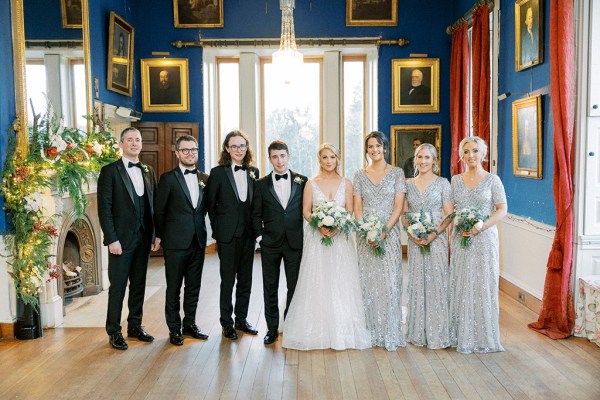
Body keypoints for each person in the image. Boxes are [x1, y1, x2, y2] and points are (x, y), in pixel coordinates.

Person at [283, 144, 371, 350]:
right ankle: (316, 329)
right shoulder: (311, 184)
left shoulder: (346, 183)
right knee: (317, 279)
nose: (329, 160)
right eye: (325, 157)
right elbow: (306, 211)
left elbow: (349, 210)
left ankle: (342, 330)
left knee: (341, 280)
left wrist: (338, 225)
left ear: (337, 159)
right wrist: (319, 225)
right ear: (319, 160)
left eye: (333, 157)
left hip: (341, 239)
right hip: (317, 238)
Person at [97, 127, 159, 350]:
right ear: (121, 144)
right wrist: (111, 239)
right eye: (130, 140)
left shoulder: (149, 171)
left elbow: (154, 207)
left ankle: (135, 326)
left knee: (139, 285)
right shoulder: (109, 171)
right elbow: (104, 209)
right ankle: (114, 331)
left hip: (143, 239)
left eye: (138, 140)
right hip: (120, 242)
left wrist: (155, 234)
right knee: (118, 287)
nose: (134, 143)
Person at [449, 136, 508, 354]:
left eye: (475, 151)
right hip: (461, 237)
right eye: (466, 152)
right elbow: (449, 210)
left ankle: (484, 336)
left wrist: (480, 227)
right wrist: (457, 224)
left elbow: (502, 209)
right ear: (461, 156)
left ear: (483, 154)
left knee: (483, 283)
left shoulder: (493, 180)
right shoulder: (455, 180)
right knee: (462, 283)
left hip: (484, 240)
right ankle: (460, 334)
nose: (470, 155)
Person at [154, 135, 209, 346]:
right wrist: (158, 236)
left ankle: (190, 324)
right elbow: (159, 211)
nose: (189, 154)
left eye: (193, 150)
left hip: (198, 241)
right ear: (177, 153)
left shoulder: (205, 179)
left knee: (194, 287)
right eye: (185, 150)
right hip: (175, 243)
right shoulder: (168, 178)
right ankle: (174, 329)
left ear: (197, 152)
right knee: (174, 288)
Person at [353, 131, 406, 351]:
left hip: (389, 233)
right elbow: (357, 208)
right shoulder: (359, 175)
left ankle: (389, 332)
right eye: (370, 147)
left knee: (390, 282)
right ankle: (370, 331)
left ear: (385, 147)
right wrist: (366, 231)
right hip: (365, 235)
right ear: (366, 150)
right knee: (368, 282)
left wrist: (383, 231)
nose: (374, 150)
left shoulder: (397, 173)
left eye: (378, 146)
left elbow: (398, 206)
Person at [252, 140, 307, 345]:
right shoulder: (260, 184)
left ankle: (290, 326)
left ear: (288, 156)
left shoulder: (302, 181)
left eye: (282, 156)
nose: (279, 161)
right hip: (270, 244)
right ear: (269, 159)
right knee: (270, 286)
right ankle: (272, 329)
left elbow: (307, 210)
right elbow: (255, 215)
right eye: (275, 157)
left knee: (294, 286)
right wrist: (260, 238)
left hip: (295, 242)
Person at [206, 130, 260, 341]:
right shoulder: (218, 173)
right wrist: (218, 230)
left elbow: (256, 205)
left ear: (247, 148)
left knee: (246, 280)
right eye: (234, 146)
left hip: (248, 235)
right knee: (227, 281)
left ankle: (241, 319)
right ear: (227, 149)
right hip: (227, 236)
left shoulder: (254, 171)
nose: (239, 150)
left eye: (242, 146)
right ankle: (226, 323)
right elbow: (210, 205)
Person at [401, 143, 453, 349]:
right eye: (419, 157)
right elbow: (404, 215)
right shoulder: (408, 184)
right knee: (417, 281)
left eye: (427, 158)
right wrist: (412, 233)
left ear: (435, 161)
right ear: (415, 160)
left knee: (436, 281)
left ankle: (437, 332)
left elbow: (449, 214)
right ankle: (417, 331)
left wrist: (434, 233)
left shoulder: (443, 183)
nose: (423, 161)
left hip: (436, 240)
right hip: (415, 241)